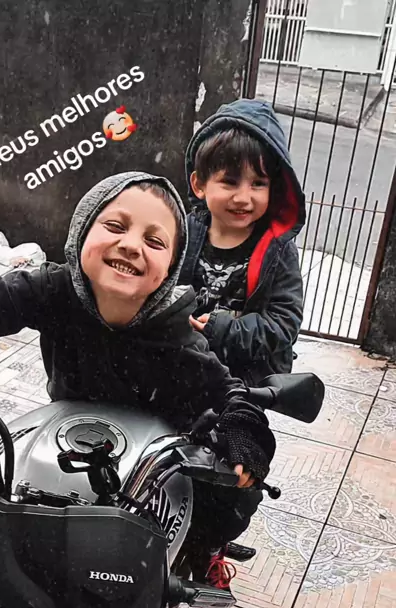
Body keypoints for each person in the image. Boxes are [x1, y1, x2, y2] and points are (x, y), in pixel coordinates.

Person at [0, 171, 275, 608]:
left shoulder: (177, 333)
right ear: (81, 232)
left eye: (155, 241)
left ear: (170, 268)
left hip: (157, 459)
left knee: (233, 494)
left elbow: (228, 392)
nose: (131, 245)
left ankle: (205, 552)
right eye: (115, 226)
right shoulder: (53, 289)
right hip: (77, 434)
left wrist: (242, 430)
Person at [178, 99, 306, 569]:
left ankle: (211, 546)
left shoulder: (276, 252)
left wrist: (221, 328)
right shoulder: (182, 233)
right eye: (229, 181)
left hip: (244, 385)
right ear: (200, 183)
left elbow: (283, 323)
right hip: (183, 370)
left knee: (237, 476)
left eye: (258, 183)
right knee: (169, 460)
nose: (243, 197)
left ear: (276, 188)